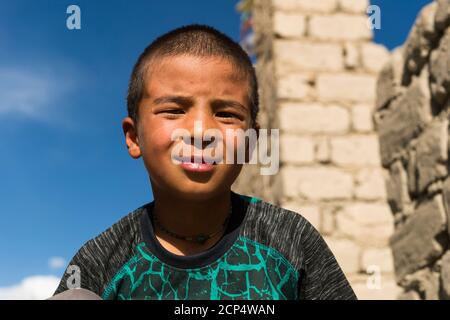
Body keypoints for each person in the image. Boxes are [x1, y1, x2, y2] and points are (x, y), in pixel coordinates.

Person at [53, 24, 356, 300]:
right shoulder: (100, 264)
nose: (201, 132)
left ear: (251, 141)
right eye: (173, 110)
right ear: (134, 138)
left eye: (226, 114)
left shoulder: (290, 241)